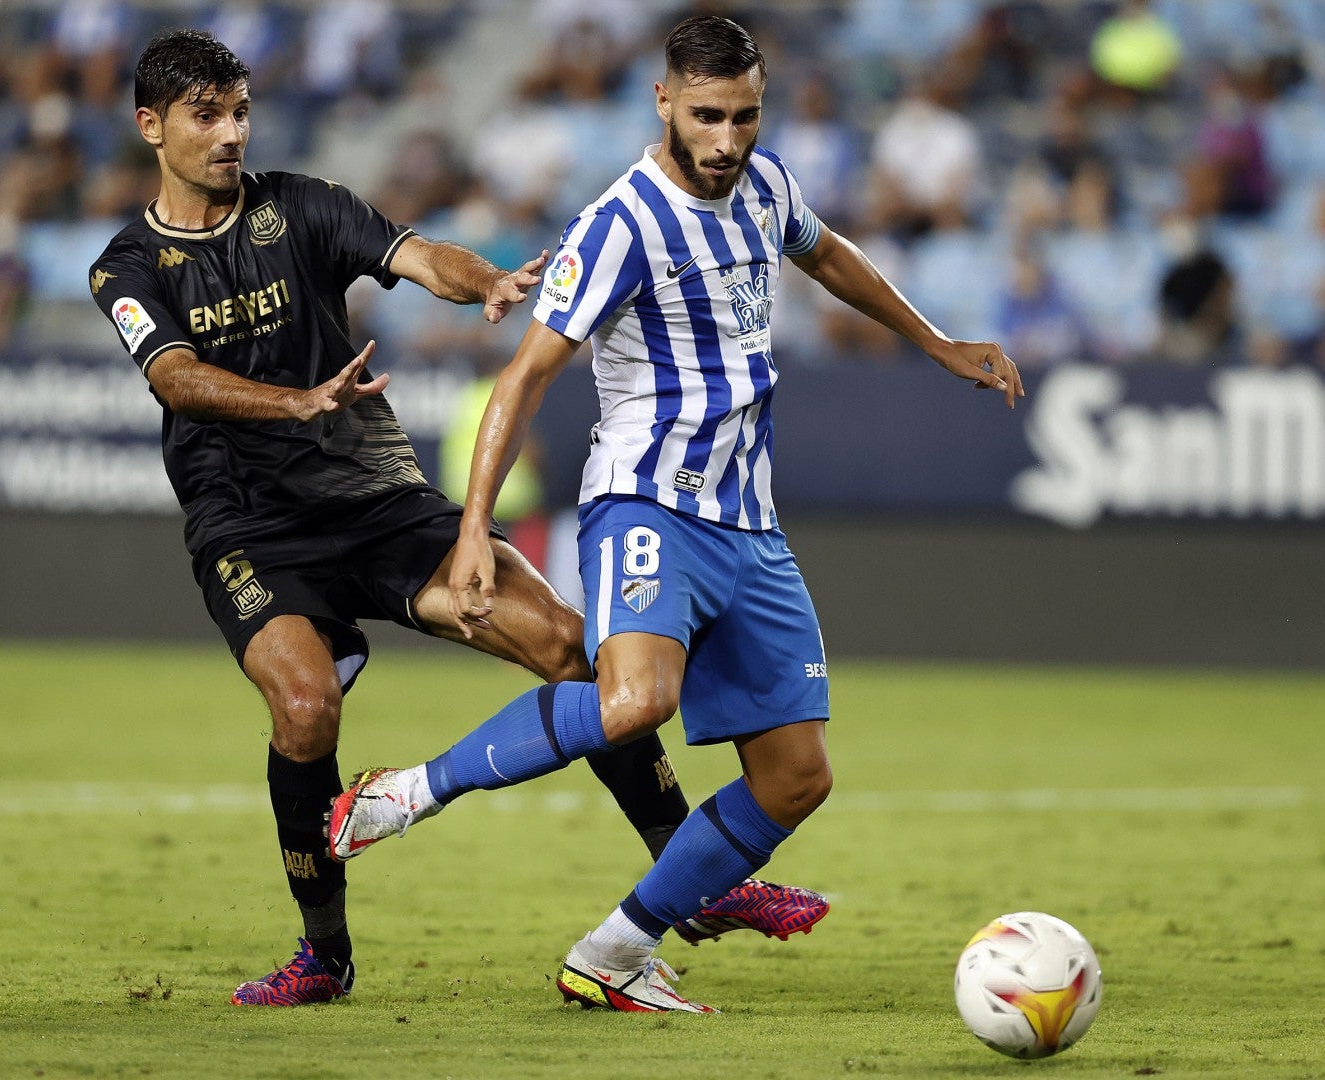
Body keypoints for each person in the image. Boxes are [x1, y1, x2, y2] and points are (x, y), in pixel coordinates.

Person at [87, 29, 826, 1009]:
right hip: (250, 527)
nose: (231, 133)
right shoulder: (126, 265)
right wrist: (296, 403)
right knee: (306, 710)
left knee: (572, 649)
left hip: (377, 502)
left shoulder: (300, 205)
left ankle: (692, 888)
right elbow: (175, 377)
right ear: (152, 126)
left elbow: (412, 253)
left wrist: (486, 282)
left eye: (240, 111)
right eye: (205, 116)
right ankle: (324, 955)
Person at [327, 15, 1023, 1013]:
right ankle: (411, 791)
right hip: (646, 502)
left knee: (796, 778)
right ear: (664, 102)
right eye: (707, 115)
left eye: (744, 115)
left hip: (751, 524)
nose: (727, 139)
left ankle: (613, 953)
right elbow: (523, 378)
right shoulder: (621, 223)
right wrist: (474, 527)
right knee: (634, 701)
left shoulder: (769, 184)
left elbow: (830, 258)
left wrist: (936, 339)